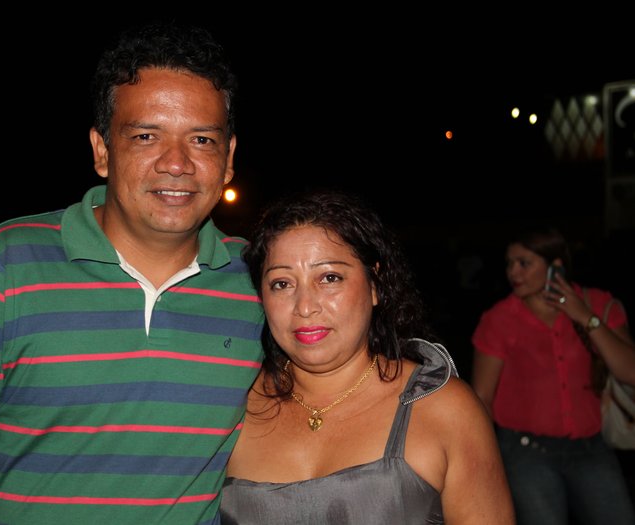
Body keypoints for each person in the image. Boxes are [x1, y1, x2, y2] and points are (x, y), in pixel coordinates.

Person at [0, 22, 264, 525]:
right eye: (146, 136)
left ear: (227, 160)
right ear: (102, 150)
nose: (177, 163)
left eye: (201, 139)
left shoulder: (261, 282)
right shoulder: (9, 262)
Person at [220, 189, 515, 524]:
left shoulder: (445, 410)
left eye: (329, 278)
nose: (305, 306)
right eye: (282, 284)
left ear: (375, 284)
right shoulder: (231, 405)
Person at [471, 225, 635, 525]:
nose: (513, 272)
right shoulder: (499, 318)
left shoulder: (597, 303)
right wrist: (484, 461)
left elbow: (630, 372)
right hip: (525, 453)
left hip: (592, 447)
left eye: (524, 263)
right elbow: (482, 397)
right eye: (509, 263)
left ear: (555, 266)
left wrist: (584, 316)